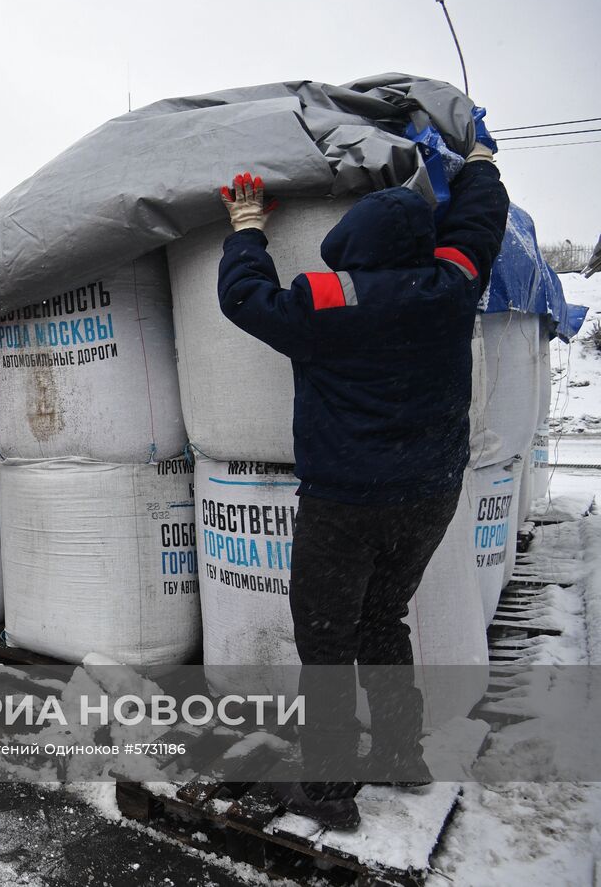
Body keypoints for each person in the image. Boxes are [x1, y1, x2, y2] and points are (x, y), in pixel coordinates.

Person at [215, 116, 508, 829]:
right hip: (429, 494)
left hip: (344, 501)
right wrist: (478, 164)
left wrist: (248, 229)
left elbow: (244, 299)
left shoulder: (325, 301)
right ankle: (401, 754)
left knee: (325, 640)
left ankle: (329, 787)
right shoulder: (452, 286)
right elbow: (479, 225)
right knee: (384, 617)